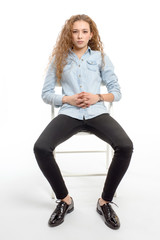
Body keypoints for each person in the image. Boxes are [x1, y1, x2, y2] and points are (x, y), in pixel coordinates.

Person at [33, 14, 133, 230]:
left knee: (125, 146)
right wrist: (67, 99)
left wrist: (98, 97)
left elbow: (116, 92)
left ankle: (104, 202)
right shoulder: (59, 59)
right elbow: (46, 94)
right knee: (41, 147)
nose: (80, 35)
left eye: (84, 31)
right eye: (75, 31)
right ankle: (65, 200)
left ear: (91, 34)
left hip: (97, 113)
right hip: (69, 113)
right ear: (69, 34)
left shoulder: (100, 58)